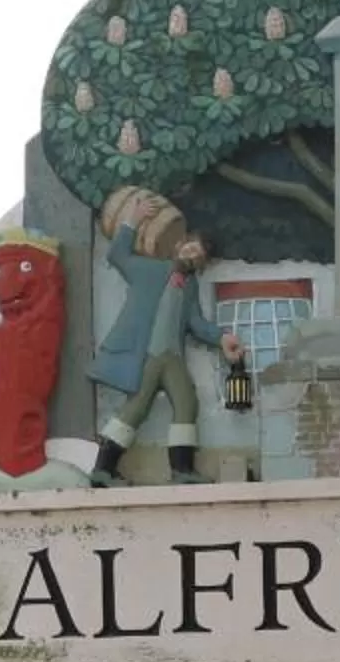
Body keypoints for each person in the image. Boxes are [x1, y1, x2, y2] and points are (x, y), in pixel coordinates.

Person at [88, 186, 244, 485]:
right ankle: (103, 469)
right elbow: (118, 255)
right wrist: (131, 220)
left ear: (201, 263)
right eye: (189, 248)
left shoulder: (190, 287)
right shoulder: (148, 269)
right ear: (178, 247)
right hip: (145, 355)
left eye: (198, 254)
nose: (192, 254)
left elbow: (196, 323)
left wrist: (222, 337)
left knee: (187, 402)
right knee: (135, 409)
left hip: (172, 357)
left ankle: (181, 470)